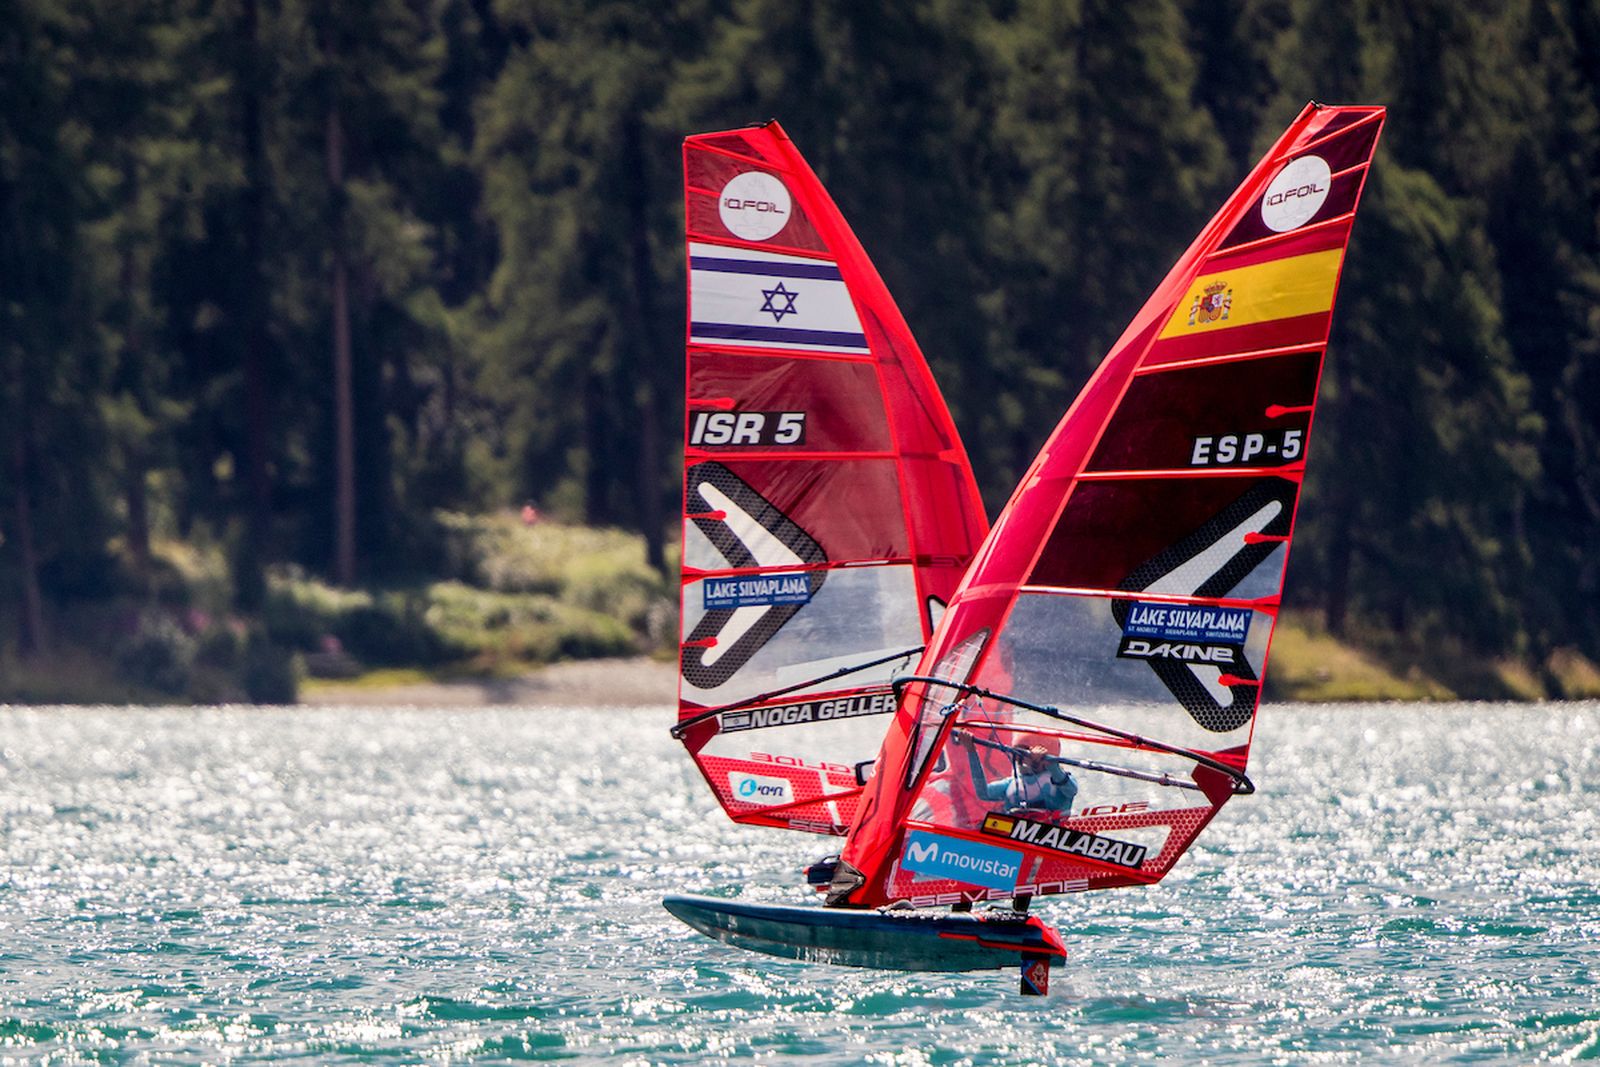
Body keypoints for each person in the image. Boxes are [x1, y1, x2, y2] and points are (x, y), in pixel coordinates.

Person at [950, 728, 1077, 814]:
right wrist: (971, 751)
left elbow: (1071, 790)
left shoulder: (1060, 779)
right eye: (1016, 753)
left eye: (1022, 753)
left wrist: (1051, 764)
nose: (1017, 759)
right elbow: (983, 793)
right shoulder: (1011, 783)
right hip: (1010, 841)